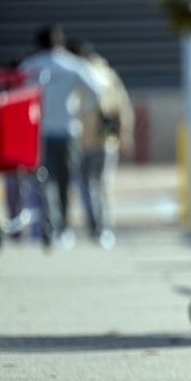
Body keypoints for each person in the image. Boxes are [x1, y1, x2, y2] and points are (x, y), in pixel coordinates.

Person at [19, 24, 105, 246]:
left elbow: (15, 95)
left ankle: (51, 227)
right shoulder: (73, 65)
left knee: (46, 181)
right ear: (60, 42)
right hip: (68, 131)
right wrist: (81, 109)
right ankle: (63, 227)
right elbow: (96, 90)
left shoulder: (30, 66)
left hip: (40, 133)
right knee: (66, 183)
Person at [68, 39, 134, 248]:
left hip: (83, 140)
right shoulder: (108, 73)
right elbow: (123, 106)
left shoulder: (78, 74)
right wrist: (125, 135)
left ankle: (97, 227)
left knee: (87, 186)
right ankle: (103, 228)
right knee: (102, 185)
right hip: (108, 138)